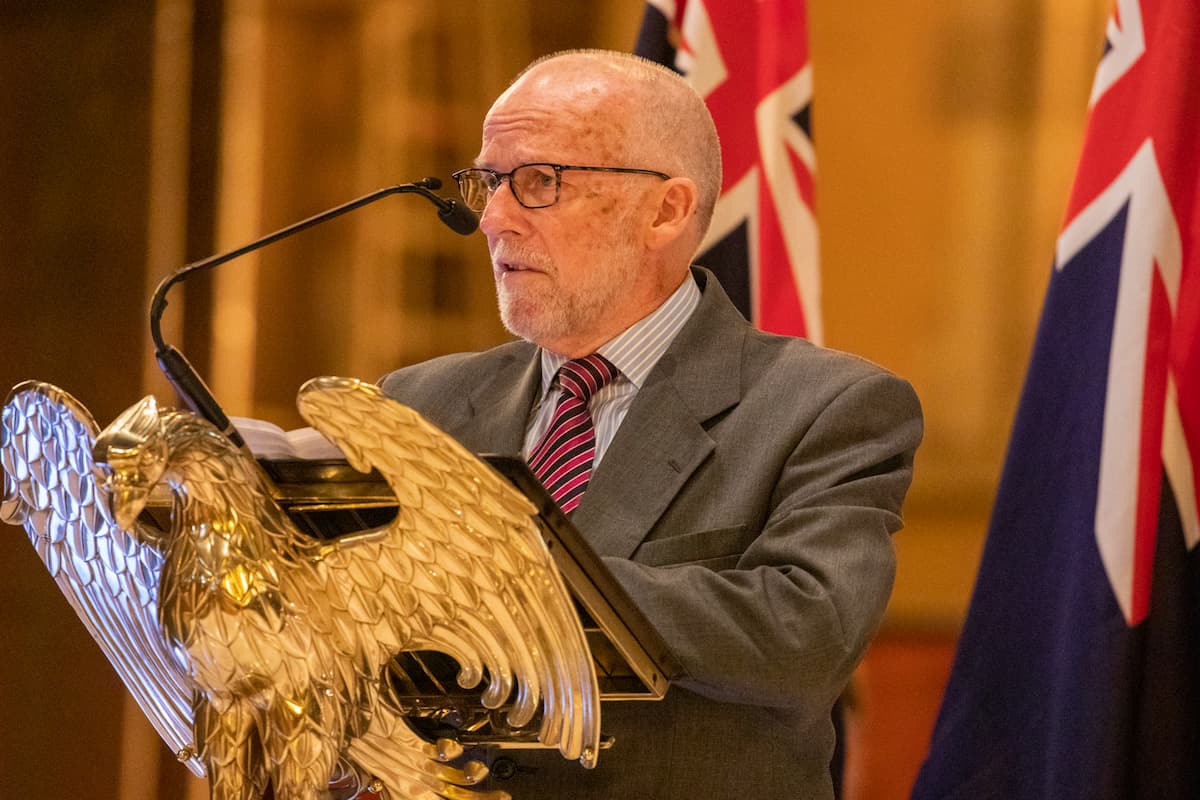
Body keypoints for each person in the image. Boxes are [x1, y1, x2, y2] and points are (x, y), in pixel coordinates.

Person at [379, 48, 922, 800]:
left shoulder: (823, 407)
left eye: (540, 182)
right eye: (489, 183)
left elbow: (808, 632)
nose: (494, 220)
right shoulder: (417, 403)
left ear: (665, 210)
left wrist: (518, 580)